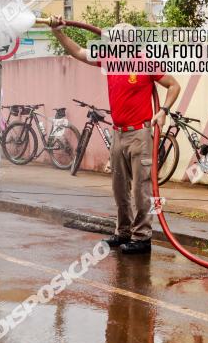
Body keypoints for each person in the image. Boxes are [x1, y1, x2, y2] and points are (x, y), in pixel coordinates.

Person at [49, 18, 181, 254]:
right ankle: (123, 232)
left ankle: (142, 238)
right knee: (119, 188)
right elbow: (79, 52)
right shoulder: (110, 60)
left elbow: (173, 85)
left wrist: (162, 111)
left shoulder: (145, 62)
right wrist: (58, 32)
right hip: (118, 133)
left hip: (140, 133)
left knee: (141, 189)